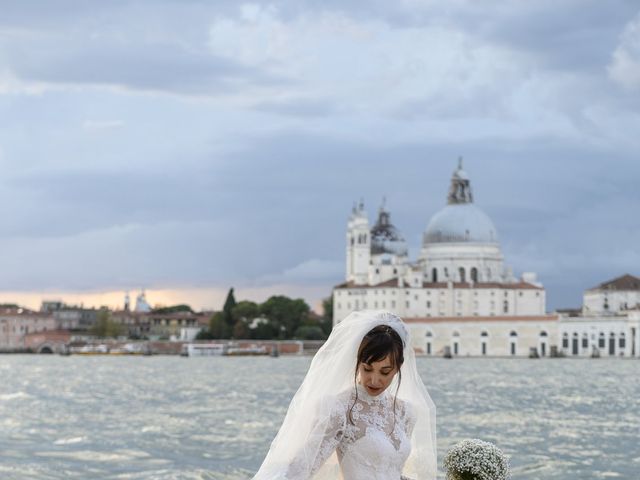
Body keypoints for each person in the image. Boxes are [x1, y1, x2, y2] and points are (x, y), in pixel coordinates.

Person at [253, 310, 437, 480]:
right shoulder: (339, 408)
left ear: (397, 369)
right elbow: (302, 467)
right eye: (367, 369)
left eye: (385, 372)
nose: (374, 380)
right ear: (358, 363)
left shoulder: (406, 412)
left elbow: (394, 471)